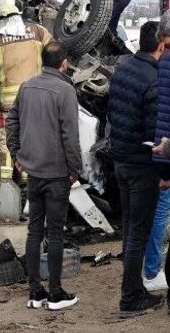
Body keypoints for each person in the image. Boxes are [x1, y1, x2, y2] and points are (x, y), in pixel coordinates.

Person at [5, 41, 81, 311]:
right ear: (64, 64)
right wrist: (75, 169)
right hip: (57, 173)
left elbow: (11, 120)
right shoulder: (65, 90)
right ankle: (56, 293)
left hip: (33, 172)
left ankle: (35, 292)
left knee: (34, 231)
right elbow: (70, 135)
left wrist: (16, 153)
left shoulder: (27, 87)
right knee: (56, 232)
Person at [108, 20, 163, 318]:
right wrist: (165, 172)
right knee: (138, 235)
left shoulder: (124, 69)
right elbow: (156, 135)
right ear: (160, 45)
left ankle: (135, 291)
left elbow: (112, 115)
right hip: (142, 167)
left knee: (130, 231)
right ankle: (130, 299)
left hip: (121, 161)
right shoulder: (153, 80)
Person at [0, 0, 53, 182]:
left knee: (6, 144)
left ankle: (4, 187)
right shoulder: (38, 31)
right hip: (35, 101)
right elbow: (54, 53)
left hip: (7, 104)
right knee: (32, 142)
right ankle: (30, 188)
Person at [145, 13, 170, 295]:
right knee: (161, 214)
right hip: (165, 158)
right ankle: (152, 270)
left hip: (160, 156)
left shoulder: (160, 63)